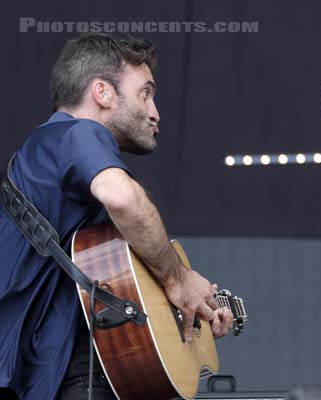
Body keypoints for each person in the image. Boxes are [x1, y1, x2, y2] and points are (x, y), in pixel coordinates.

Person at [0, 34, 234, 400]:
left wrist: (193, 306)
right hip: (72, 375)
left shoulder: (51, 159)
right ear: (102, 93)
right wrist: (177, 278)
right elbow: (124, 199)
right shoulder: (77, 133)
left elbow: (115, 277)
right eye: (145, 93)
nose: (155, 111)